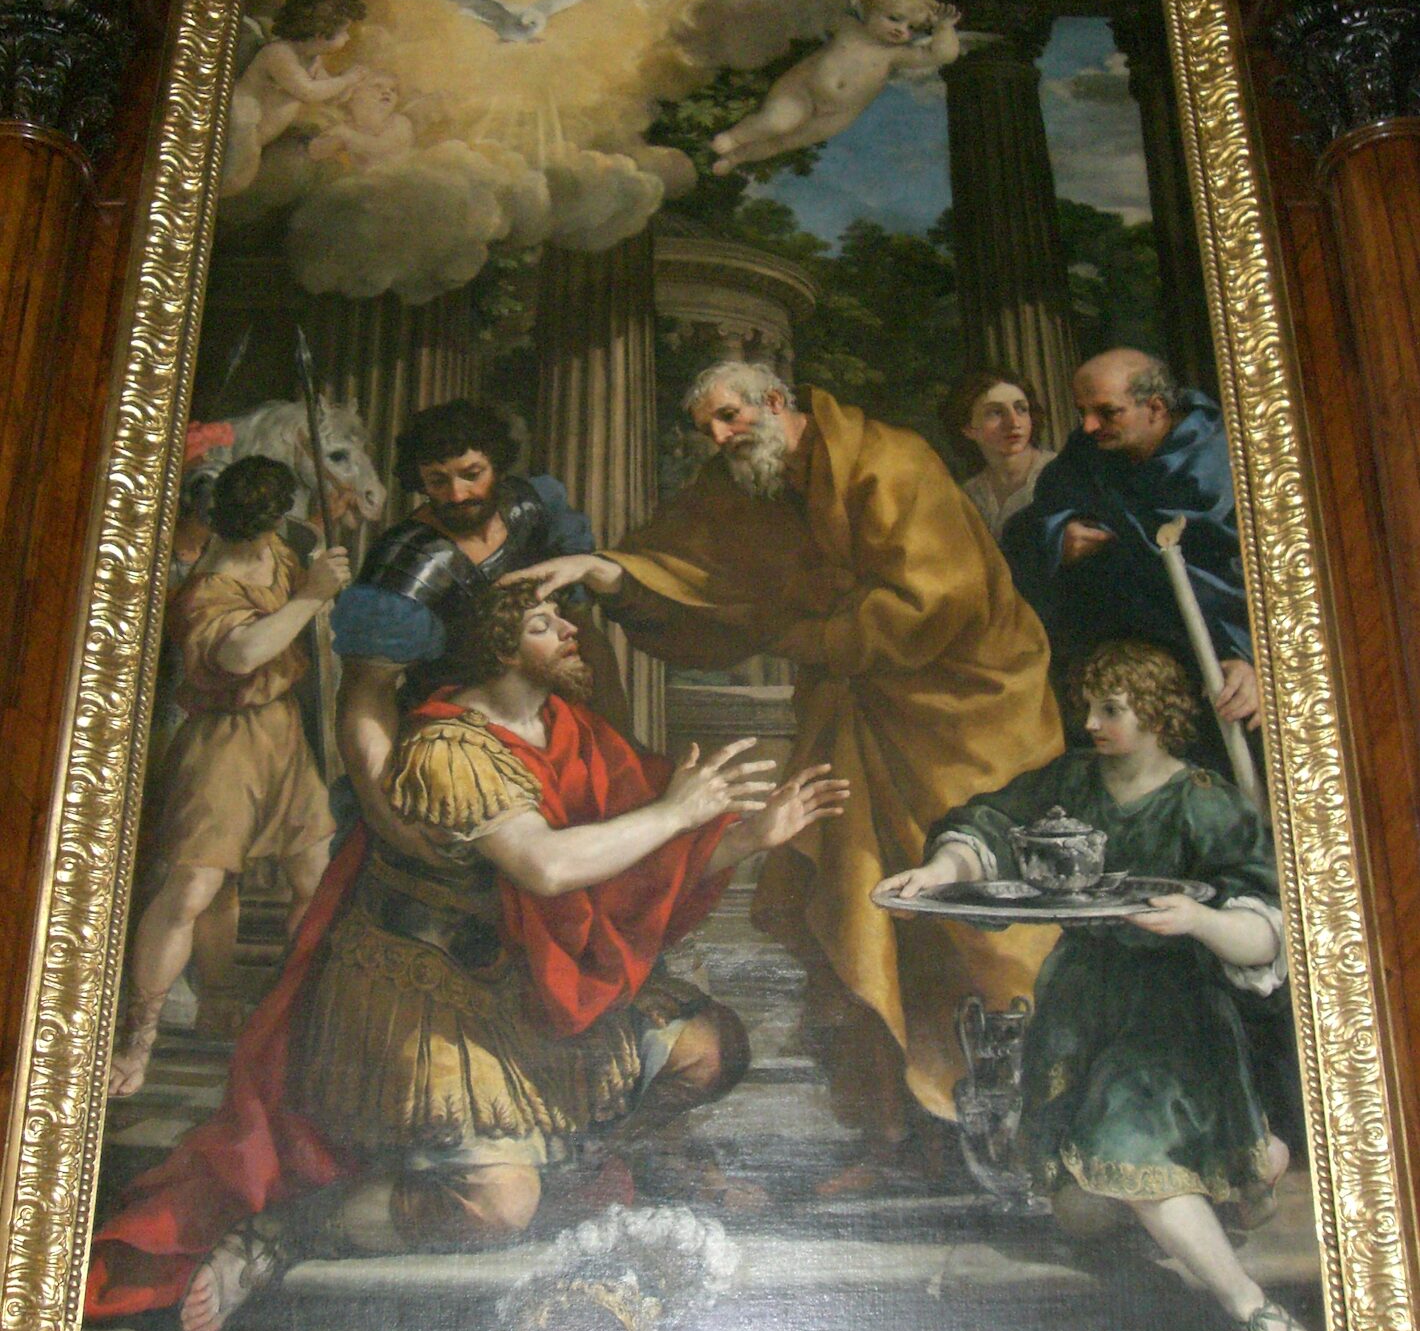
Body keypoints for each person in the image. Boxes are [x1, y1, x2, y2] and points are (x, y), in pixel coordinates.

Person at [86, 582, 847, 1331]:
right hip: (427, 996)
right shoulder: (447, 748)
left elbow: (634, 867)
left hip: (530, 979)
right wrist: (675, 812)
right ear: (498, 649)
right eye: (545, 623)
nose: (570, 631)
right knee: (497, 1204)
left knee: (711, 1046)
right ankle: (284, 1233)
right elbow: (547, 867)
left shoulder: (569, 730)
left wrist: (749, 836)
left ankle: (580, 1163)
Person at [503, 358, 1063, 1166]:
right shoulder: (747, 481)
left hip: (969, 718)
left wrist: (805, 636)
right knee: (853, 909)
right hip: (858, 715)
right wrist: (604, 570)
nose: (720, 437)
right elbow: (688, 566)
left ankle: (1030, 1132)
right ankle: (887, 1135)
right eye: (707, 427)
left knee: (978, 929)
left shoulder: (890, 460)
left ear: (774, 401)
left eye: (730, 416)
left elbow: (936, 603)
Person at [877, 639, 1320, 1331]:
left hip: (1171, 1014)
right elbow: (992, 826)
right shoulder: (1072, 781)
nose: (1089, 722)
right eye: (1088, 706)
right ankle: (1246, 1161)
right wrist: (942, 869)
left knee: (1126, 1151)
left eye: (1109, 709)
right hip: (1079, 1011)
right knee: (1082, 1212)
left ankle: (1251, 1307)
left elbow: (1268, 927)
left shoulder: (1203, 800)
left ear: (1156, 714)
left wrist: (1200, 921)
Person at [108, 456, 350, 1099]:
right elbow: (242, 654)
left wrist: (325, 559)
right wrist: (312, 595)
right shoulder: (206, 589)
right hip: (223, 741)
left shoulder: (280, 549)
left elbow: (306, 563)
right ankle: (137, 1040)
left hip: (283, 734)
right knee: (195, 887)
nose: (262, 532)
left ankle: (292, 1021)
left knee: (314, 877)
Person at [333, 398, 629, 863]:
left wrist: (619, 742)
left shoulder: (535, 512)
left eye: (472, 474)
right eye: (437, 480)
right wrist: (385, 813)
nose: (456, 494)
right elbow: (367, 697)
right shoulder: (407, 562)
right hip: (455, 742)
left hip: (549, 721)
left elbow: (584, 634)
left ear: (496, 463)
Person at [1001, 346, 1259, 733]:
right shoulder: (1088, 453)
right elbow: (1028, 527)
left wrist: (1251, 658)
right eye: (1083, 412)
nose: (1089, 425)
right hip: (1114, 662)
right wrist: (1057, 537)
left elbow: (1261, 582)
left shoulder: (1227, 460)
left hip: (1213, 661)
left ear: (1155, 408)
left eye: (1107, 412)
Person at [710, 0, 962, 175]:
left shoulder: (896, 54)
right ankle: (735, 137)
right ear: (871, 9)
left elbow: (942, 55)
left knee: (782, 144)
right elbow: (814, 10)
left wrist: (944, 28)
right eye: (894, 18)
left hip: (837, 114)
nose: (901, 30)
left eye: (912, 28)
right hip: (803, 91)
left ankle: (735, 158)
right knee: (777, 123)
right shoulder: (848, 27)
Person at [221, 0, 369, 197]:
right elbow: (308, 92)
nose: (347, 38)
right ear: (320, 33)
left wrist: (350, 86)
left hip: (258, 133)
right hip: (240, 124)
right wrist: (346, 80)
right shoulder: (279, 54)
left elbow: (329, 94)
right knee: (233, 180)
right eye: (343, 31)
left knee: (243, 178)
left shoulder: (312, 58)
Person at [937, 366, 1056, 541]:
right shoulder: (970, 496)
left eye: (1021, 409)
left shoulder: (1061, 474)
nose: (1013, 423)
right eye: (996, 412)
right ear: (968, 428)